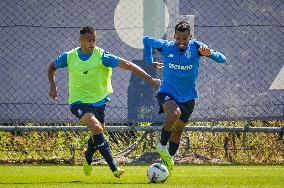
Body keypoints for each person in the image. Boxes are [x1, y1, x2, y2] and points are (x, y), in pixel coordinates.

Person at [48, 26, 160, 178]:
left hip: (99, 102)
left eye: (94, 40)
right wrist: (53, 86)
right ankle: (114, 168)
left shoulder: (102, 56)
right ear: (80, 40)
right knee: (96, 127)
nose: (92, 43)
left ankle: (88, 156)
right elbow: (52, 67)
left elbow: (129, 65)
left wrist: (150, 79)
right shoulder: (69, 57)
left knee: (98, 132)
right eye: (88, 40)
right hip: (78, 102)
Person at [143, 21, 226, 175]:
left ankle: (168, 159)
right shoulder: (166, 46)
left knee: (178, 131)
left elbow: (222, 58)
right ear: (174, 36)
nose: (181, 42)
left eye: (184, 39)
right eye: (178, 38)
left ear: (190, 37)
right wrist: (149, 61)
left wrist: (210, 54)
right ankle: (161, 146)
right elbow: (147, 40)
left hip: (188, 97)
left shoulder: (196, 47)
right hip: (168, 91)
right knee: (174, 114)